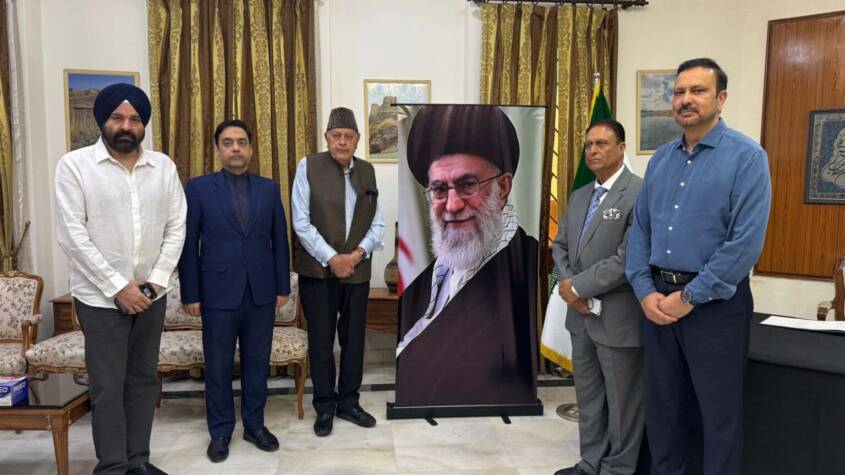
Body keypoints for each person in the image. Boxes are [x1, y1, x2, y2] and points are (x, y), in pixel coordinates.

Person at [625, 58, 772, 475]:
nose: (685, 99)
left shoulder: (747, 158)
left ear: (721, 98)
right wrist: (644, 292)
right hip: (657, 303)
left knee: (718, 418)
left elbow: (744, 245)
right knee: (664, 412)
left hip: (715, 308)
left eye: (697, 90)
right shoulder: (660, 160)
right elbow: (641, 232)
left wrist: (689, 297)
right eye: (678, 92)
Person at [55, 83, 186, 475]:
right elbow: (72, 236)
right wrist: (118, 287)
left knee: (143, 380)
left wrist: (154, 282)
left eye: (134, 119)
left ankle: (138, 461)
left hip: (151, 295)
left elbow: (177, 227)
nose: (126, 126)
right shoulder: (75, 166)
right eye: (118, 118)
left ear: (143, 125)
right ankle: (112, 467)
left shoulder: (163, 167)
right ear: (103, 121)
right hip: (100, 299)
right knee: (108, 386)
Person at [396, 105, 538, 407]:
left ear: (503, 187)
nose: (451, 205)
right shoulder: (430, 276)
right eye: (438, 189)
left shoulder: (529, 268)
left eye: (467, 185)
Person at [178, 119, 290, 462]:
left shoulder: (269, 189)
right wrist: (190, 294)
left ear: (251, 148)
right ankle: (220, 431)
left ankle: (255, 426)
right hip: (216, 293)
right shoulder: (198, 189)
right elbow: (188, 244)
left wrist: (282, 286)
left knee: (257, 364)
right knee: (218, 367)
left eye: (241, 142)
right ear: (218, 149)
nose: (235, 148)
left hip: (261, 292)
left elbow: (280, 240)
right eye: (227, 143)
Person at [552, 120, 644, 475]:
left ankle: (618, 469)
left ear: (621, 148)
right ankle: (590, 464)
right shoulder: (579, 196)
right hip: (580, 317)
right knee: (589, 398)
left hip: (618, 317)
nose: (592, 150)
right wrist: (568, 286)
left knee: (622, 403)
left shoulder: (639, 192)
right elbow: (560, 246)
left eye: (602, 143)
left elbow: (627, 258)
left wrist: (578, 287)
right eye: (589, 144)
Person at [292, 107, 384, 437]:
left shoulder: (368, 171)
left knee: (354, 340)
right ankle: (324, 406)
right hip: (318, 272)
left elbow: (377, 223)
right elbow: (301, 222)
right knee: (321, 341)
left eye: (348, 136)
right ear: (327, 137)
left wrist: (356, 255)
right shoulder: (308, 166)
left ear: (357, 140)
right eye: (336, 136)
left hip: (357, 271)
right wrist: (332, 258)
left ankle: (349, 402)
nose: (342, 142)